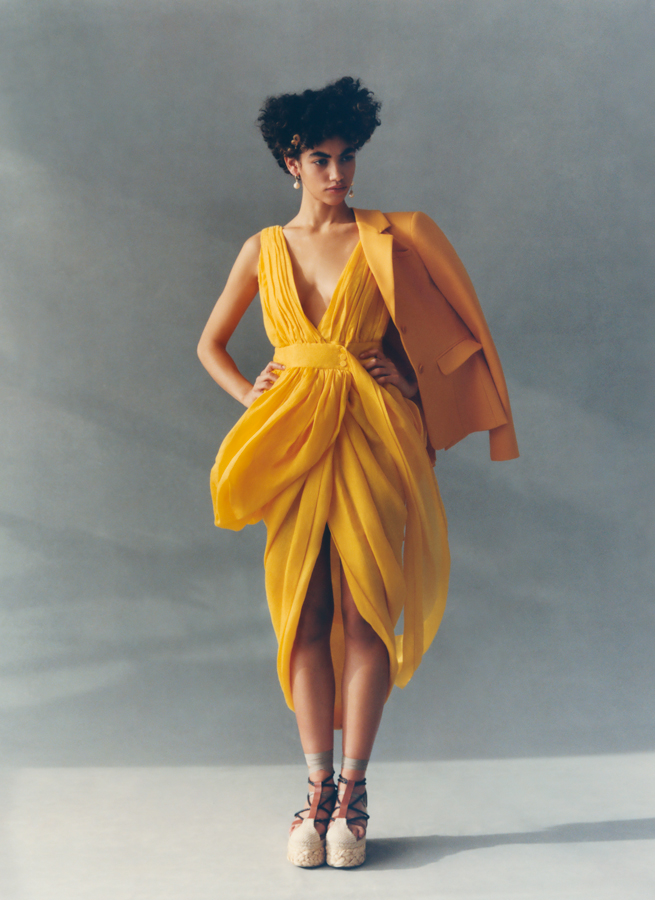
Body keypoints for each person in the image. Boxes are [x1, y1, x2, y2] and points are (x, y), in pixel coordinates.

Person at [197, 77, 518, 869]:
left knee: (366, 611)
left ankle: (353, 795)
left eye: (347, 158)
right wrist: (251, 395)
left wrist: (409, 383)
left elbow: (442, 338)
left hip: (374, 436)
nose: (338, 173)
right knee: (302, 613)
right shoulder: (263, 249)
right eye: (321, 158)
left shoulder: (388, 240)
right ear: (291, 162)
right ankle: (315, 791)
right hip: (292, 440)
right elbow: (210, 344)